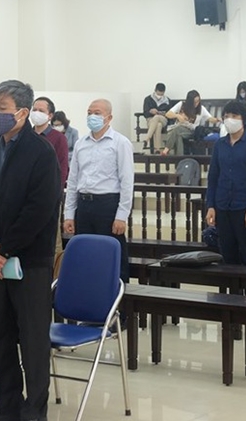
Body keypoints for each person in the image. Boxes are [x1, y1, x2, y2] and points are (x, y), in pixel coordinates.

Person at [0, 80, 61, 421]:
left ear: (22, 113)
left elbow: (39, 210)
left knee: (33, 339)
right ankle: (6, 406)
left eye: (2, 109)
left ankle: (35, 411)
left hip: (28, 261)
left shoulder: (41, 153)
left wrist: (5, 248)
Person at [63, 99, 134, 282]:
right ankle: (87, 292)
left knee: (111, 254)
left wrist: (122, 215)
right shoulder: (81, 143)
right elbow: (73, 180)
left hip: (107, 205)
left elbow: (127, 181)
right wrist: (69, 214)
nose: (92, 117)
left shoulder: (120, 142)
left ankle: (117, 294)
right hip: (84, 205)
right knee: (85, 253)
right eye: (89, 113)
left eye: (97, 113)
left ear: (108, 117)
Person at [205, 100, 246, 266]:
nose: (229, 119)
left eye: (234, 116)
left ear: (244, 119)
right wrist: (211, 206)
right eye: (226, 116)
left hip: (245, 208)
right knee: (227, 256)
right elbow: (213, 177)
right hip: (223, 207)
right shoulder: (220, 144)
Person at [160, 90, 219, 156]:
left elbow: (210, 118)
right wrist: (177, 116)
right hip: (179, 130)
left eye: (198, 101)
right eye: (194, 102)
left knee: (177, 130)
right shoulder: (181, 104)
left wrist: (217, 119)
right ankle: (180, 157)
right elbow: (168, 114)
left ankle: (166, 149)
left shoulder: (201, 108)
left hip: (191, 131)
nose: (196, 104)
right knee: (178, 136)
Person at [29, 96, 69, 188]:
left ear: (50, 116)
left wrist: (57, 190)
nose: (36, 113)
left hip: (47, 188)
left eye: (41, 111)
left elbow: (62, 167)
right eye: (34, 110)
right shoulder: (26, 135)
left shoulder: (59, 138)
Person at [142, 82, 172, 152]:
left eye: (161, 94)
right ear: (155, 90)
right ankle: (157, 149)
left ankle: (147, 139)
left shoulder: (167, 101)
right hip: (150, 120)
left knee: (157, 117)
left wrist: (162, 113)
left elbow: (170, 113)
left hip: (163, 119)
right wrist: (150, 111)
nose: (159, 96)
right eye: (158, 94)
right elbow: (145, 113)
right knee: (158, 125)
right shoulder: (148, 99)